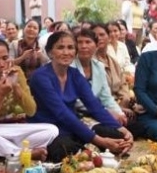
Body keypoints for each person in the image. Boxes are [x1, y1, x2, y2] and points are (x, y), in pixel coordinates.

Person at [28, 31, 133, 163]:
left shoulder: (74, 74)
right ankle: (90, 151)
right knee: (67, 150)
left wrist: (122, 129)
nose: (66, 52)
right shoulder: (40, 77)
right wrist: (99, 140)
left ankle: (94, 150)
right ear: (50, 52)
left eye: (70, 48)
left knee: (117, 136)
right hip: (49, 131)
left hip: (71, 126)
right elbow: (62, 113)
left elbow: (95, 106)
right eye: (60, 48)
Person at [0, 37, 56, 161]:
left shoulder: (17, 72)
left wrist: (16, 86)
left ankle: (2, 150)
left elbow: (31, 111)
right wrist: (0, 95)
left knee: (51, 130)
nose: (2, 64)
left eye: (5, 58)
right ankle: (21, 153)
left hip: (15, 129)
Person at [72, 29, 128, 125]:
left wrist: (119, 113)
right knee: (113, 131)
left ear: (96, 46)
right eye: (79, 42)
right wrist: (106, 112)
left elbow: (106, 97)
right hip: (79, 113)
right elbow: (77, 101)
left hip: (98, 111)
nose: (83, 46)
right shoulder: (71, 67)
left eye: (88, 42)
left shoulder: (99, 66)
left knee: (130, 124)